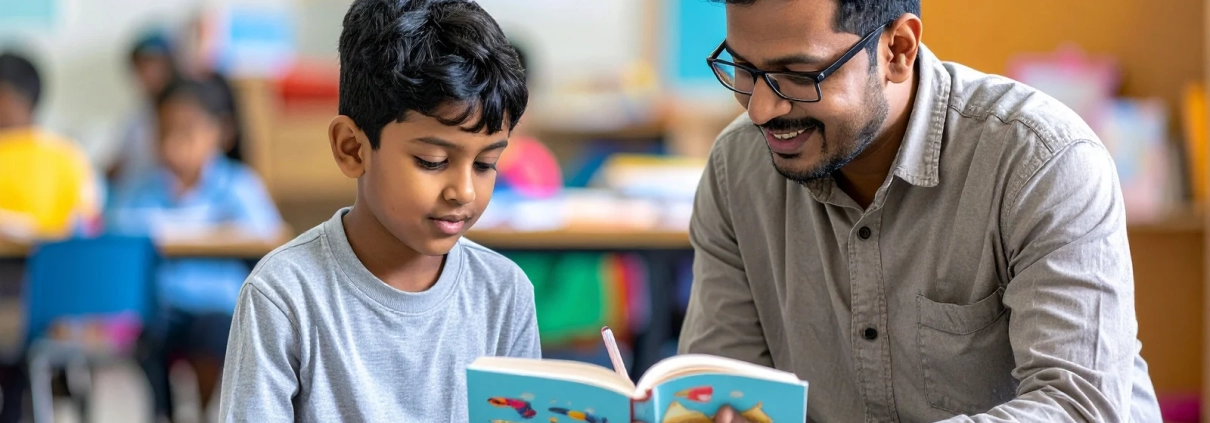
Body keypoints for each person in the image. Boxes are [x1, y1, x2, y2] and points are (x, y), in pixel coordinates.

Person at [675, 0, 1161, 422]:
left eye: (797, 75)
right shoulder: (736, 170)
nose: (760, 109)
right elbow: (720, 389)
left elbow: (1080, 408)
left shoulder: (1041, 161)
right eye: (744, 69)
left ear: (897, 50)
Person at [217, 0, 540, 420]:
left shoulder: (505, 295)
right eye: (432, 161)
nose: (463, 192)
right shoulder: (283, 296)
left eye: (485, 164)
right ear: (353, 148)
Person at [105, 77, 283, 422]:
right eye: (164, 132)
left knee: (217, 332)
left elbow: (268, 237)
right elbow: (118, 235)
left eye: (187, 132)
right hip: (162, 304)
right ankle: (163, 411)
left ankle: (204, 411)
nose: (173, 144)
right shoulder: (142, 187)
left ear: (221, 133)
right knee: (145, 336)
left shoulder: (237, 184)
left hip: (217, 303)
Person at [0, 50, 101, 423]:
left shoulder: (55, 156)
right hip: (63, 300)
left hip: (36, 296)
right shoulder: (68, 154)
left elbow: (83, 227)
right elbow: (89, 220)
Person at [107, 30, 179, 193]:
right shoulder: (136, 118)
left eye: (154, 66)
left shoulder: (188, 115)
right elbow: (118, 165)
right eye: (140, 68)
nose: (147, 75)